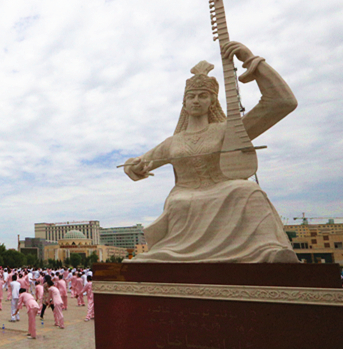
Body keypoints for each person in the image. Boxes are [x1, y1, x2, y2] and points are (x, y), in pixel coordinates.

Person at [123, 43, 299, 263]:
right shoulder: (172, 143)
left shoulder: (228, 130)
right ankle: (171, 254)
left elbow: (282, 103)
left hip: (224, 189)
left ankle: (267, 251)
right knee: (180, 203)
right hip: (184, 196)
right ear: (184, 103)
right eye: (191, 96)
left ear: (212, 101)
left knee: (247, 189)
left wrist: (251, 60)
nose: (196, 100)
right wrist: (135, 167)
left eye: (202, 95)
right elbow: (136, 166)